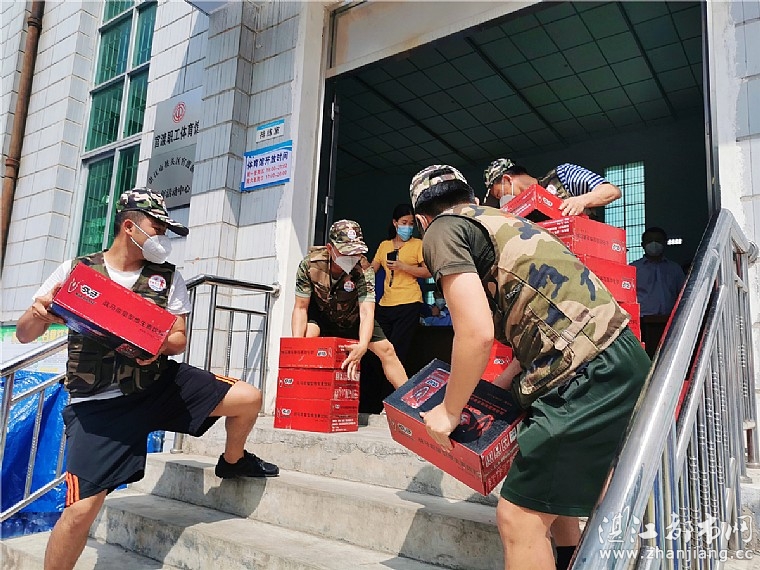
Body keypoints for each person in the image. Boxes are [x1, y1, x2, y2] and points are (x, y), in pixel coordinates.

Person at [15, 188, 278, 570]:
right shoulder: (77, 271)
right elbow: (24, 334)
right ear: (129, 226)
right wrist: (39, 313)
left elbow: (179, 338)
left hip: (157, 384)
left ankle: (233, 461)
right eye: (158, 228)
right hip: (99, 405)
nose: (163, 238)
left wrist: (158, 345)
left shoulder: (168, 278)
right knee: (80, 512)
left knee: (249, 398)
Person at [408, 165, 650, 570]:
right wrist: (499, 388)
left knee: (518, 518)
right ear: (473, 197)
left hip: (584, 371)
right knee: (551, 498)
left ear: (420, 219)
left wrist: (450, 411)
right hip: (611, 355)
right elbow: (539, 318)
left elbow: (476, 333)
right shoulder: (503, 222)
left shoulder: (441, 230)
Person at [291, 219, 407, 392]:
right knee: (306, 340)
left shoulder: (364, 269)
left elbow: (367, 312)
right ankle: (303, 394)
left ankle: (410, 401)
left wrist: (362, 345)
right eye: (346, 252)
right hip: (322, 315)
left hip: (354, 318)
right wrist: (295, 349)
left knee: (387, 350)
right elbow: (300, 307)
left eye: (356, 252)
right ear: (330, 248)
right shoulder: (310, 265)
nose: (351, 257)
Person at [371, 204, 431, 363]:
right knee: (379, 348)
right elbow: (372, 270)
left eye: (411, 224)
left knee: (398, 349)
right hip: (385, 303)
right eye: (404, 223)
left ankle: (395, 380)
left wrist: (403, 267)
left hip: (409, 302)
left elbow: (428, 272)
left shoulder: (418, 244)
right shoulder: (384, 245)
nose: (408, 227)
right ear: (395, 223)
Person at [483, 158, 622, 217]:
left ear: (507, 180)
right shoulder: (518, 214)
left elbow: (611, 191)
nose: (502, 200)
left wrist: (581, 201)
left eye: (500, 194)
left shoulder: (562, 175)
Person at [631, 227, 686, 358]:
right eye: (650, 240)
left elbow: (683, 294)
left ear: (665, 243)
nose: (654, 244)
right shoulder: (633, 269)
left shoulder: (675, 269)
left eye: (658, 240)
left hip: (670, 322)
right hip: (642, 323)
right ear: (643, 245)